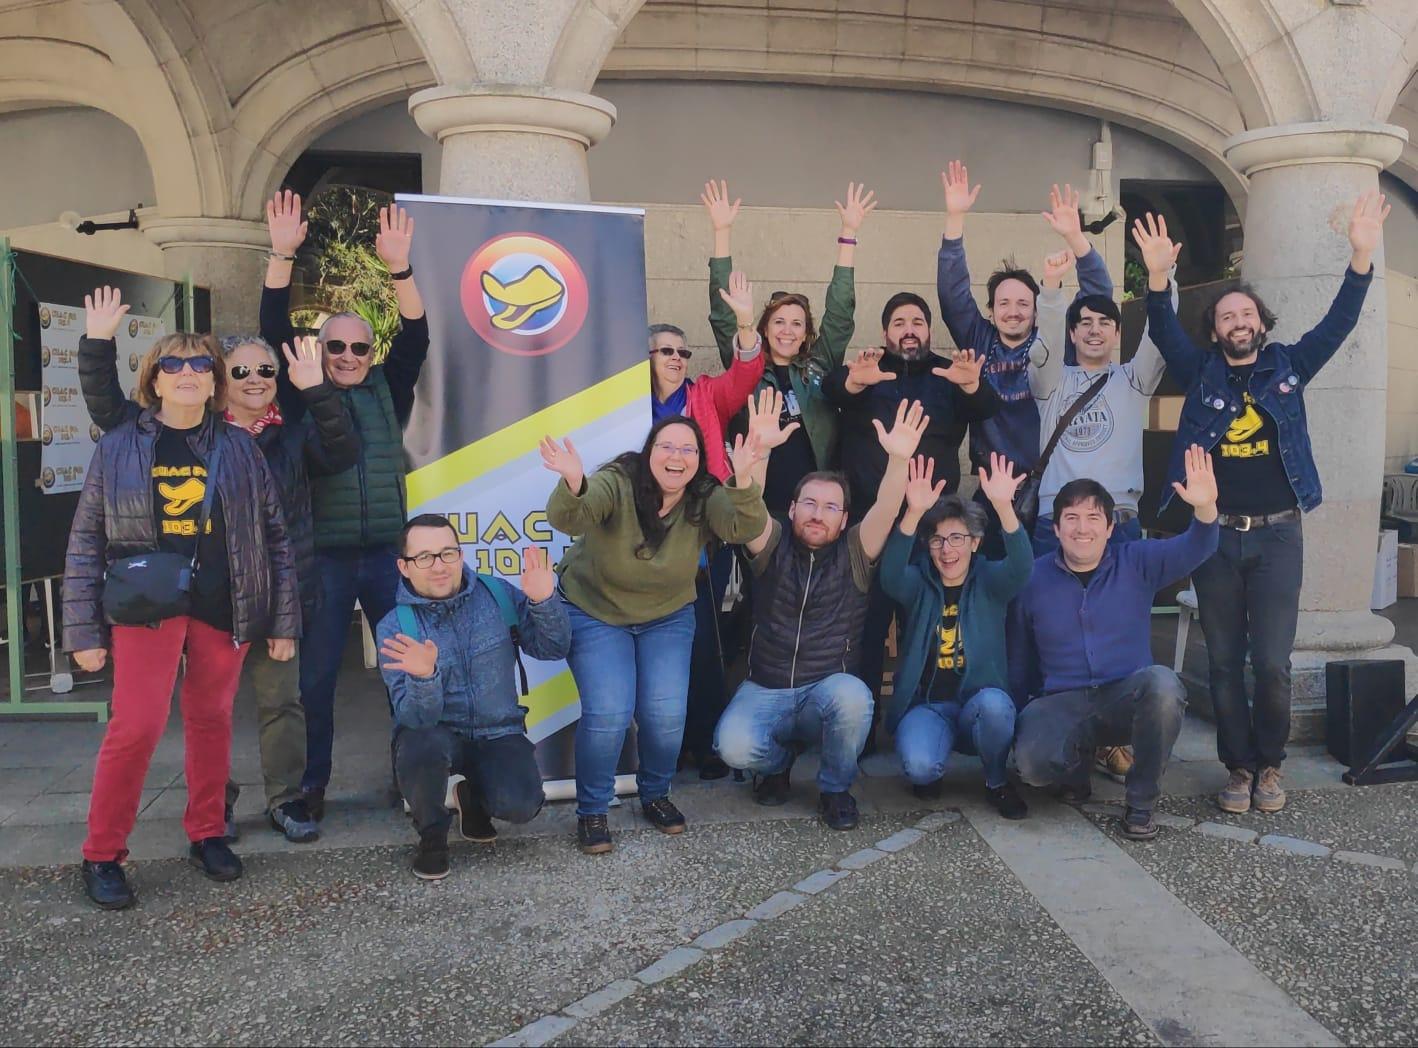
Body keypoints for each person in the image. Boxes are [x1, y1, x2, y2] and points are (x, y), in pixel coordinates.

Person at [1132, 194, 1389, 814]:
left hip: (1277, 537)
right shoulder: (1200, 372)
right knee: (1222, 662)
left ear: (1262, 323)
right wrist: (1159, 276)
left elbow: (1339, 323)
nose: (1237, 321)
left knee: (1270, 663)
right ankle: (1238, 770)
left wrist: (1360, 255)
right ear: (1215, 329)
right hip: (1214, 536)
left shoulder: (1291, 365)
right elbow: (1164, 329)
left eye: (1246, 312)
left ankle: (1270, 765)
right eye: (1226, 315)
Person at [76, 288, 360, 845]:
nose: (256, 377)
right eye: (241, 369)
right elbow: (90, 522)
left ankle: (257, 810)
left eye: (266, 369)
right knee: (164, 721)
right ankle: (148, 834)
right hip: (166, 600)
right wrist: (97, 342)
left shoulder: (268, 438)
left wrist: (317, 391)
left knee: (258, 708)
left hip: (253, 596)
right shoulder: (150, 440)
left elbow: (327, 471)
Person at [64, 332, 300, 909]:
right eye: (174, 363)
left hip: (223, 604)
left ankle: (208, 831)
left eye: (201, 364)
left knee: (211, 720)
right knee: (136, 727)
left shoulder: (241, 447)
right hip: (147, 608)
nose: (188, 372)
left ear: (215, 380)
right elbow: (86, 540)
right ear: (154, 378)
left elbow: (275, 537)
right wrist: (83, 632)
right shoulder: (119, 446)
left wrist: (283, 621)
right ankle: (102, 851)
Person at [261, 190, 430, 819]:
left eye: (360, 348)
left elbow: (416, 334)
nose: (349, 358)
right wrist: (282, 257)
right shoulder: (303, 394)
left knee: (404, 671)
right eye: (337, 347)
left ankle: (409, 777)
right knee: (317, 680)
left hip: (388, 553)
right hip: (325, 560)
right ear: (321, 352)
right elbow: (274, 330)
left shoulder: (388, 385)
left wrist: (400, 270)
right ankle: (311, 788)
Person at [541, 413, 769, 855]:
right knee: (609, 712)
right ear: (650, 452)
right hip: (595, 610)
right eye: (667, 446)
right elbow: (571, 518)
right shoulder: (618, 481)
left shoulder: (705, 496)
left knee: (665, 714)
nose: (677, 457)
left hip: (667, 614)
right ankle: (592, 810)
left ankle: (656, 794)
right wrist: (573, 482)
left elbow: (743, 527)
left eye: (689, 450)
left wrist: (743, 479)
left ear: (699, 461)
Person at [714, 395, 929, 830]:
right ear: (792, 508)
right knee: (733, 747)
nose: (818, 514)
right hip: (766, 688)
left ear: (845, 517)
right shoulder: (772, 542)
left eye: (831, 507)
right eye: (809, 504)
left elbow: (887, 509)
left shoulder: (855, 550)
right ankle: (776, 765)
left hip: (824, 691)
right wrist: (760, 452)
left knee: (854, 698)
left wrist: (899, 460)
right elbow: (750, 509)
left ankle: (835, 788)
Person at [1010, 446, 1220, 840]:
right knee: (1032, 767)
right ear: (1055, 529)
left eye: (1093, 518)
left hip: (1125, 695)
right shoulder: (1032, 578)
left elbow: (1198, 547)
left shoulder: (1136, 561)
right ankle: (1076, 767)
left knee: (1163, 686)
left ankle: (1141, 802)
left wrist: (1205, 509)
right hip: (1062, 699)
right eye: (1070, 518)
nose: (1082, 528)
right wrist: (1021, 716)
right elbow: (1019, 658)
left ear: (1110, 527)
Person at [820, 294, 1000, 750]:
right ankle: (859, 731)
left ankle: (921, 724)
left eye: (918, 321)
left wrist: (972, 385)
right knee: (867, 628)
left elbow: (986, 407)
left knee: (924, 625)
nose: (909, 329)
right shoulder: (868, 369)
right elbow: (831, 391)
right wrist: (856, 382)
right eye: (899, 321)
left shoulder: (946, 373)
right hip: (870, 526)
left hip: (931, 531)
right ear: (885, 332)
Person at [377, 515, 570, 880]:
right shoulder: (395, 626)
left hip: (498, 730)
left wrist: (544, 600)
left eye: (448, 553)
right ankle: (432, 838)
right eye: (425, 557)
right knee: (419, 748)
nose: (439, 566)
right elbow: (417, 719)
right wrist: (424, 677)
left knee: (521, 805)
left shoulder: (497, 595)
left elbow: (553, 647)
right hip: (435, 732)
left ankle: (475, 799)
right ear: (404, 567)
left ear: (460, 553)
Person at [937, 169, 1113, 552]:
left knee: (1048, 591)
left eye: (1023, 303)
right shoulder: (979, 339)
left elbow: (1099, 294)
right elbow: (952, 294)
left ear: (1037, 310)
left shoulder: (1054, 340)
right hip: (993, 489)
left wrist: (1074, 237)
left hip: (1052, 491)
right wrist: (955, 220)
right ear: (991, 310)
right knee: (997, 588)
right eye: (1004, 303)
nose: (1013, 311)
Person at [703, 179, 875, 511]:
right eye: (779, 322)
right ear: (764, 330)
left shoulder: (818, 365)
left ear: (806, 332)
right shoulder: (745, 367)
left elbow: (840, 313)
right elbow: (724, 312)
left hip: (816, 504)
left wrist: (849, 234)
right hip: (760, 502)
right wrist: (721, 232)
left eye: (797, 323)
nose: (787, 331)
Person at [648, 298, 764, 779]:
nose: (677, 359)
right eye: (666, 351)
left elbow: (744, 376)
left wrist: (744, 322)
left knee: (705, 645)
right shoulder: (622, 404)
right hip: (645, 541)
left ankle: (706, 743)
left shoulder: (704, 397)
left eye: (683, 352)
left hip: (703, 537)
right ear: (647, 360)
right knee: (656, 649)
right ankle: (663, 749)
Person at [880, 453, 1033, 818]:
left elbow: (1021, 566)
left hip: (980, 703)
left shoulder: (990, 581)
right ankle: (932, 762)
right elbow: (889, 576)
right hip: (929, 706)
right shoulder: (918, 583)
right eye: (937, 540)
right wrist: (913, 513)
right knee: (919, 768)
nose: (947, 549)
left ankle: (996, 780)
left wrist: (1002, 506)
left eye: (957, 538)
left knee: (996, 707)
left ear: (975, 543)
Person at [1031, 250, 1176, 555]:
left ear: (1117, 332)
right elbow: (1047, 341)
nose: (1094, 330)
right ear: (1072, 333)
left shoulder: (1134, 379)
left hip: (1119, 521)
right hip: (1056, 520)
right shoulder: (1052, 382)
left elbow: (1160, 335)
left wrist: (1163, 278)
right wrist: (1052, 289)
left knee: (1121, 604)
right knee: (1049, 604)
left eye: (1104, 322)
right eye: (1085, 323)